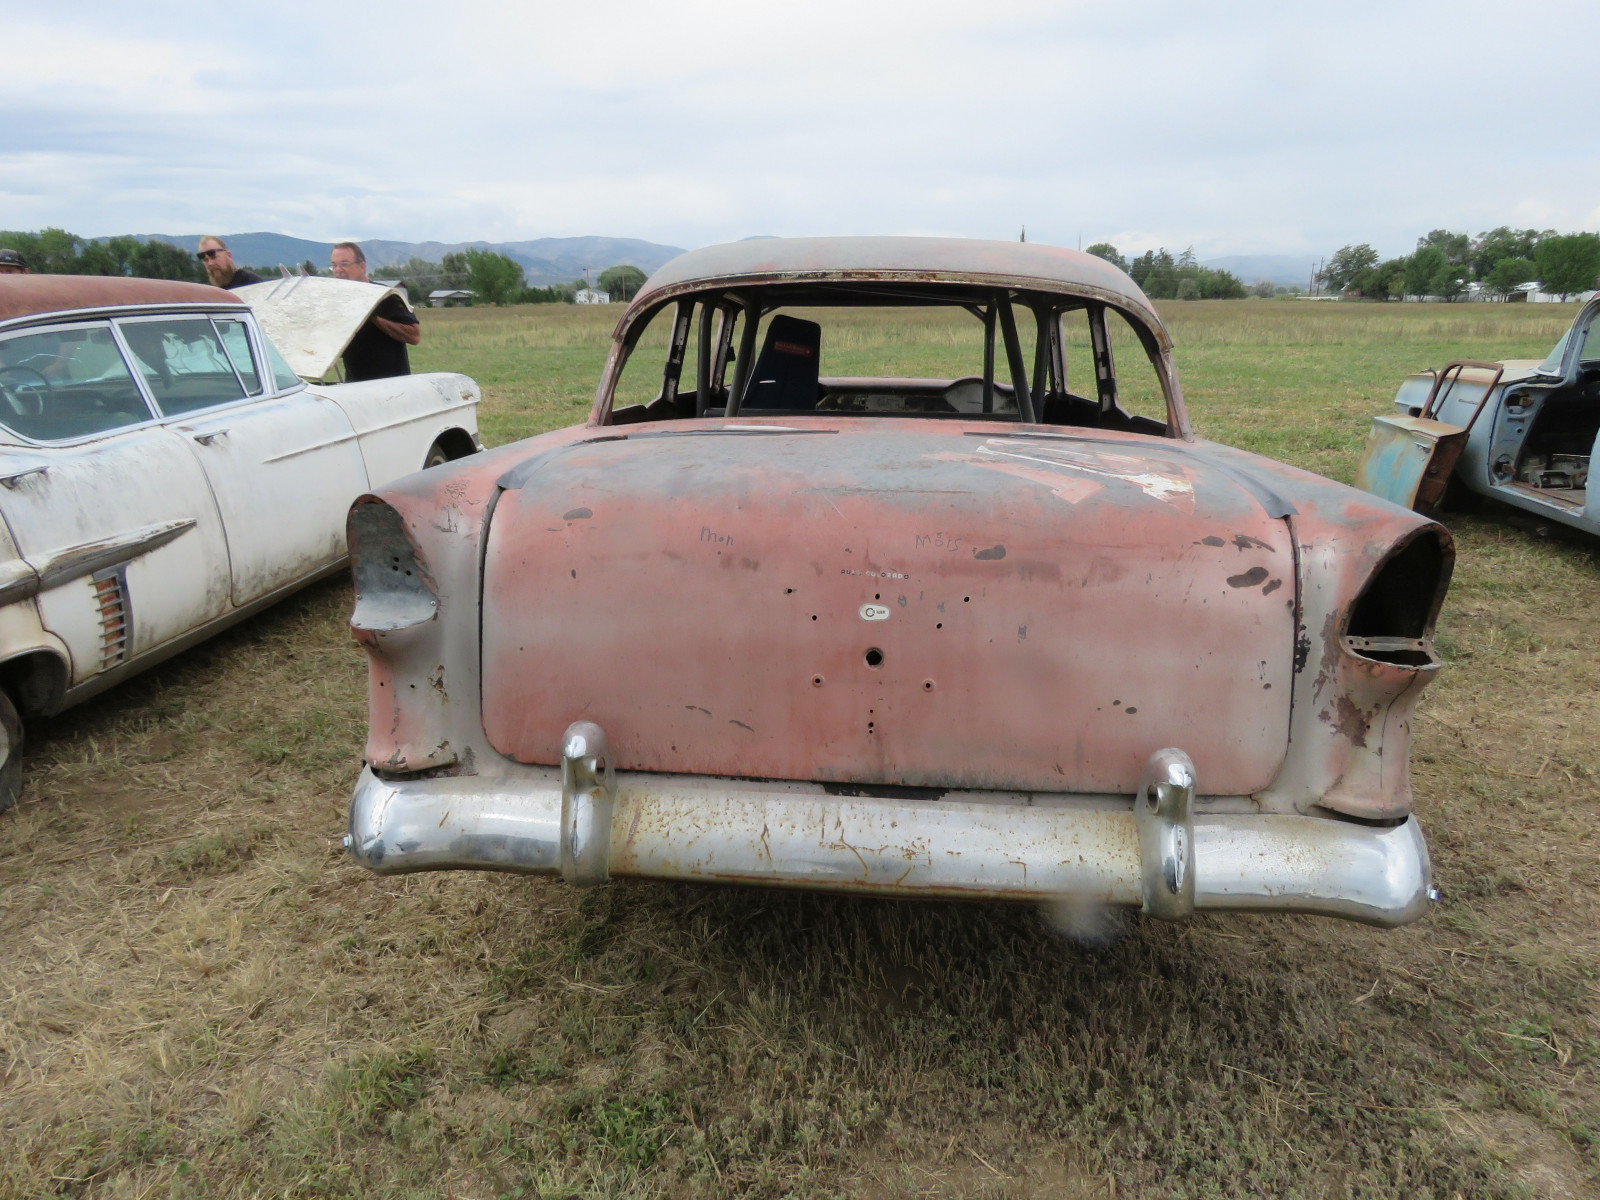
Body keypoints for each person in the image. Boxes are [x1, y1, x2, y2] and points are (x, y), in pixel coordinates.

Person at [329, 241, 420, 381]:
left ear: (362, 267)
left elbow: (414, 336)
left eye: (344, 264)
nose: (338, 270)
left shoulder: (387, 295)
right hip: (354, 386)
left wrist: (372, 316)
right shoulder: (338, 301)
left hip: (394, 385)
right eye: (334, 265)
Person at [196, 236, 263, 289]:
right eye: (205, 260)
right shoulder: (209, 291)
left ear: (229, 256)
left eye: (214, 257)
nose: (210, 263)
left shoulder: (252, 283)